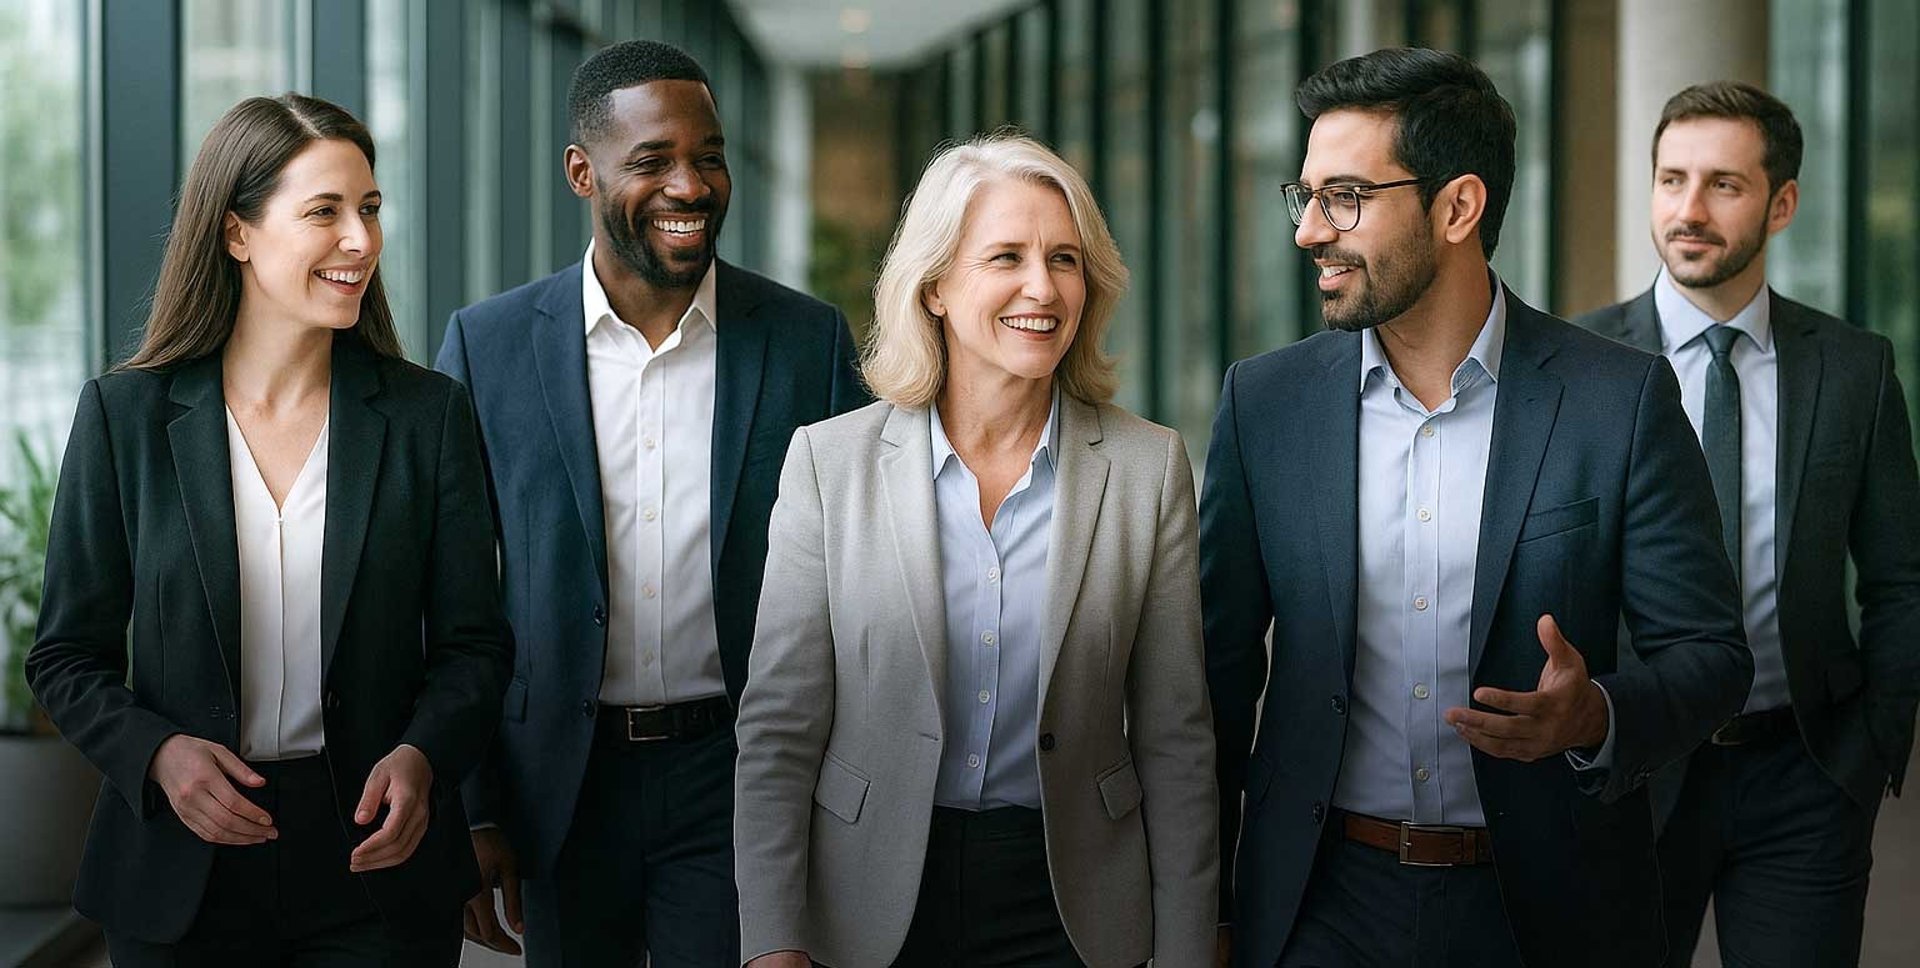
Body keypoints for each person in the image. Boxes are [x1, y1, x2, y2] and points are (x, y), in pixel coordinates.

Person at [1200, 48, 1753, 968]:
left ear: (1457, 207)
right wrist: (1209, 910)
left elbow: (1712, 658)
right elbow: (1214, 685)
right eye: (1305, 198)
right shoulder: (1265, 407)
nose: (1309, 233)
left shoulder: (1619, 400)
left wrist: (1595, 717)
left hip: (1546, 911)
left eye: (1346, 197)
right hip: (1318, 907)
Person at [25, 93, 512, 967]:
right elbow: (66, 654)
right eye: (324, 212)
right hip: (181, 870)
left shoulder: (427, 415)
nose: (361, 241)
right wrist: (160, 754)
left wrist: (423, 757)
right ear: (237, 233)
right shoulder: (125, 417)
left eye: (369, 210)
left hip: (374, 867)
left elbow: (475, 644)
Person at [731, 133, 1217, 968]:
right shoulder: (828, 462)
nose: (1043, 286)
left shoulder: (1148, 467)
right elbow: (780, 726)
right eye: (1006, 256)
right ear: (934, 289)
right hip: (867, 900)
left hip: (1074, 904)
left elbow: (1176, 738)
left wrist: (1183, 947)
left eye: (1064, 258)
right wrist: (772, 939)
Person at [436, 39, 866, 966]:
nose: (691, 184)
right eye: (653, 160)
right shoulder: (490, 346)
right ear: (581, 173)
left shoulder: (807, 343)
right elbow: (451, 597)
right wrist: (469, 809)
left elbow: (864, 578)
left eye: (708, 155)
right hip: (557, 780)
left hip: (738, 772)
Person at [1573, 80, 1920, 968]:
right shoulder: (1578, 367)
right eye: (1671, 179)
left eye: (1724, 184)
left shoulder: (1853, 369)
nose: (1688, 209)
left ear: (1782, 203)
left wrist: (1872, 743)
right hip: (1630, 771)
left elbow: (1899, 577)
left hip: (1802, 770)